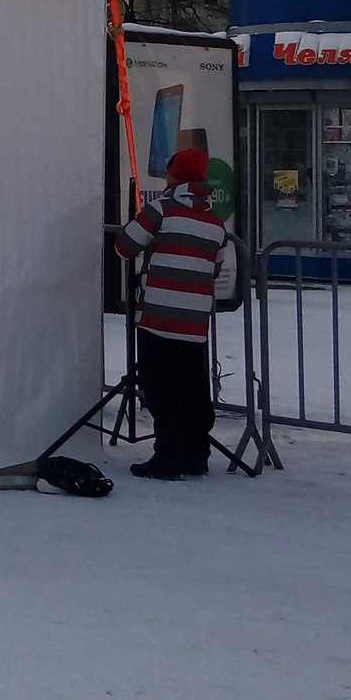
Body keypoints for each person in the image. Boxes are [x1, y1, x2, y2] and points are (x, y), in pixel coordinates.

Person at [110, 148, 230, 480]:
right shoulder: (215, 223)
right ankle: (196, 454)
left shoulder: (161, 209)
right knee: (193, 387)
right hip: (195, 321)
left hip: (159, 316)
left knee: (163, 389)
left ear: (174, 176)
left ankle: (168, 457)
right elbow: (215, 268)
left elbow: (125, 246)